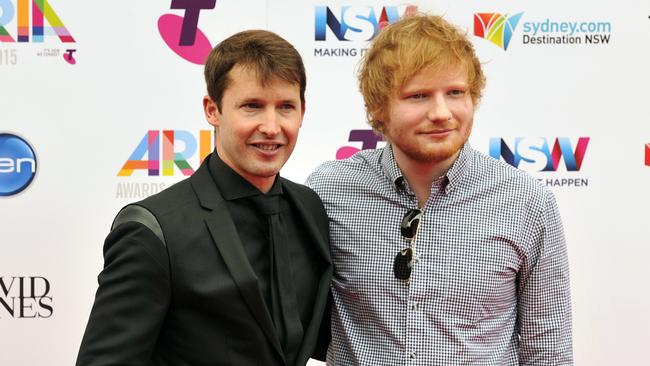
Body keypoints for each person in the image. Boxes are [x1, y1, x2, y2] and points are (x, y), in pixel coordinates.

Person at [307, 14, 573, 365]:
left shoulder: (527, 202)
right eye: (418, 96)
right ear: (377, 107)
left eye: (455, 93)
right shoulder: (330, 192)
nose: (441, 112)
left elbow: (549, 352)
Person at [77, 30, 332, 366]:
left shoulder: (309, 210)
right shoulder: (153, 231)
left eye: (285, 107)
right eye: (252, 106)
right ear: (212, 110)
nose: (271, 126)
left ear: (303, 111)